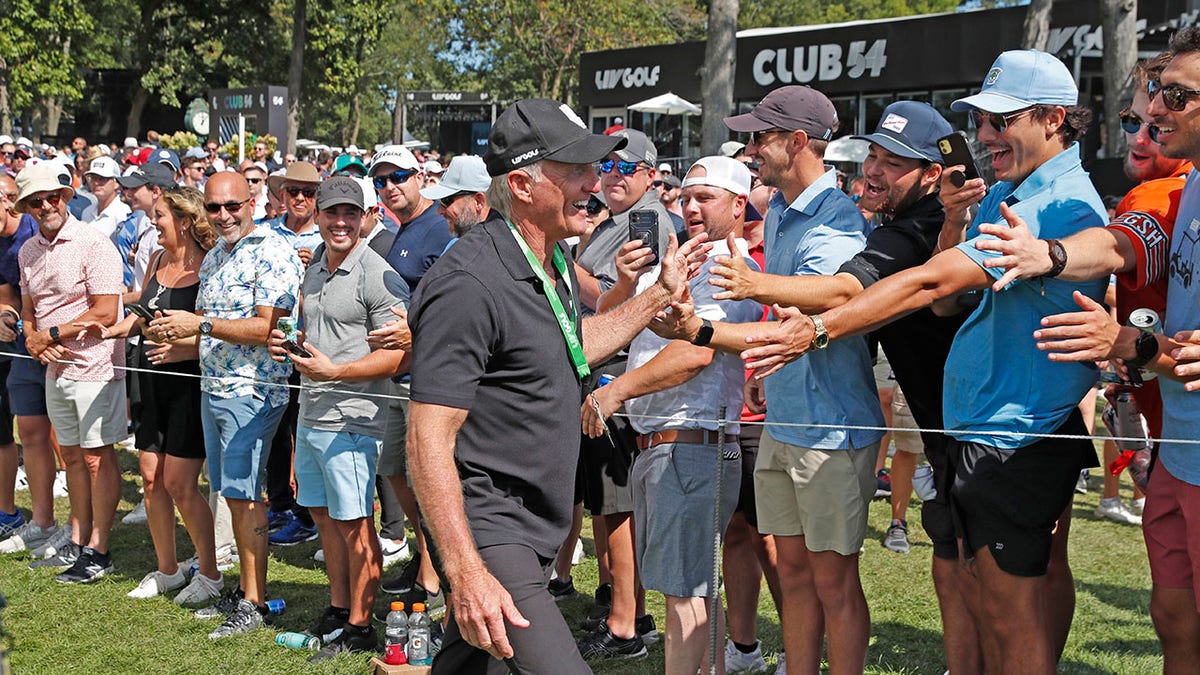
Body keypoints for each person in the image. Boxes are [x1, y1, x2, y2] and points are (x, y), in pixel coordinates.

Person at [722, 50, 1106, 674]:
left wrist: (810, 328)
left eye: (999, 121)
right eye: (979, 121)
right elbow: (949, 301)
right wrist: (957, 218)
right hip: (972, 422)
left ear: (1054, 118)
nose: (982, 136)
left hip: (1016, 426)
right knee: (971, 579)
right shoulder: (1004, 192)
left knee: (1012, 602)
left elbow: (926, 287)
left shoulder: (1053, 202)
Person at [406, 97, 700, 674]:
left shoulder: (552, 258)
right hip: (489, 527)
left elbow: (572, 345)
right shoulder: (467, 283)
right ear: (521, 184)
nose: (596, 183)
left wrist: (659, 294)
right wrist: (465, 571)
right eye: (576, 172)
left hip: (535, 524)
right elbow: (426, 439)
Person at [955, 35, 1200, 673]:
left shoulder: (1151, 191)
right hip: (1177, 442)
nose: (1150, 123)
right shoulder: (1184, 188)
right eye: (1141, 113)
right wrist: (1055, 257)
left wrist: (820, 324)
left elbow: (1113, 249)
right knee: (1175, 622)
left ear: (1051, 119)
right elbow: (1117, 245)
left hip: (1152, 433)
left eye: (1175, 99)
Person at [583, 156, 763, 671]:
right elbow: (608, 329)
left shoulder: (732, 267)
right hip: (666, 444)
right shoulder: (681, 260)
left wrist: (615, 393)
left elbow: (694, 353)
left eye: (705, 198)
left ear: (738, 204)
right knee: (693, 592)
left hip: (691, 443)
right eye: (685, 197)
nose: (691, 206)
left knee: (684, 596)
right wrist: (623, 283)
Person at [151, 171, 301, 639]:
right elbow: (212, 330)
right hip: (213, 388)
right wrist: (179, 339)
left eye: (231, 206)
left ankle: (254, 601)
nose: (222, 216)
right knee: (231, 495)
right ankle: (243, 591)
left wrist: (200, 325)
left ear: (252, 201)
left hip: (253, 392)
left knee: (245, 496)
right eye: (214, 208)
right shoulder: (216, 254)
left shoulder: (273, 252)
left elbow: (268, 329)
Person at [266, 177, 409, 661]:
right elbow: (313, 330)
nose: (341, 222)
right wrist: (286, 343)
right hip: (312, 410)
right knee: (325, 518)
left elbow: (399, 358)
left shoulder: (379, 274)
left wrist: (338, 371)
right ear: (319, 216)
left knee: (354, 522)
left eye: (351, 213)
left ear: (367, 216)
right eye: (332, 213)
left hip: (353, 416)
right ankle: (338, 606)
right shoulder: (315, 268)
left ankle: (361, 625)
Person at [77, 187, 223, 605]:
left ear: (183, 220)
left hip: (189, 383)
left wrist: (186, 347)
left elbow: (218, 329)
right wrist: (113, 329)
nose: (152, 223)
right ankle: (167, 569)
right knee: (150, 478)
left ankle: (209, 572)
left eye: (158, 216)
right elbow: (144, 313)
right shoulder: (158, 260)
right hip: (150, 379)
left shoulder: (211, 266)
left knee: (179, 483)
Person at [17, 163, 127, 584]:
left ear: (66, 196)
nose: (47, 205)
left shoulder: (92, 243)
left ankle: (100, 549)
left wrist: (51, 333)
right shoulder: (29, 251)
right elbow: (29, 312)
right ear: (26, 207)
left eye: (54, 197)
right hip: (55, 368)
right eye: (37, 201)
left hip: (96, 365)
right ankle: (78, 540)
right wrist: (33, 338)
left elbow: (105, 309)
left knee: (98, 458)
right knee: (73, 457)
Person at [371, 143, 451, 612]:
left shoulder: (441, 228)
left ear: (419, 175)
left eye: (397, 176)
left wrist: (415, 331)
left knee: (428, 478)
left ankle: (436, 576)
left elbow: (454, 299)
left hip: (429, 376)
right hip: (395, 374)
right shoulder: (397, 229)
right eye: (381, 181)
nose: (390, 188)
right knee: (397, 472)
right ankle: (425, 557)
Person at [262, 161, 324, 547]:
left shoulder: (332, 230)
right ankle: (281, 503)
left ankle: (306, 513)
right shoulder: (265, 232)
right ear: (281, 195)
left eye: (309, 192)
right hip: (271, 340)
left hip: (314, 341)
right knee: (275, 426)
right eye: (292, 191)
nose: (300, 198)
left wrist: (315, 263)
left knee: (305, 429)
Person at [0, 174, 58, 561]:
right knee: (30, 434)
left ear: (9, 201)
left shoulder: (34, 236)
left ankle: (81, 530)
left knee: (75, 447)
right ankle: (40, 521)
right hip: (21, 351)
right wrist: (5, 314)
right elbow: (9, 294)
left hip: (57, 348)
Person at [419, 155, 495, 248]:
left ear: (479, 201)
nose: (439, 211)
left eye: (446, 201)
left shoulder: (507, 246)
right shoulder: (454, 245)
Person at [81, 156, 130, 237]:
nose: (96, 183)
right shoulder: (86, 212)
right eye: (93, 178)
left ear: (116, 183)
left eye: (102, 178)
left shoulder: (124, 214)